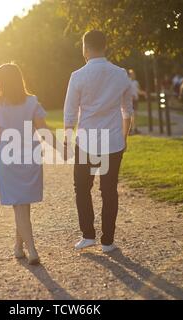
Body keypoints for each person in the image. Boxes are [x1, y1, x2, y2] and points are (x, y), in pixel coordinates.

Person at [64, 30, 133, 253]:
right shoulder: (121, 74)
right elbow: (127, 111)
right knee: (109, 190)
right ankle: (108, 241)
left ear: (85, 48)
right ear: (105, 46)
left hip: (86, 141)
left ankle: (88, 236)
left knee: (82, 188)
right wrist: (124, 137)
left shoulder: (77, 76)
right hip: (113, 141)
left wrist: (66, 140)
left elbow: (70, 114)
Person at [0, 63, 50, 265]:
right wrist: (63, 149)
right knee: (22, 205)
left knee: (19, 205)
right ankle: (18, 246)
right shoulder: (31, 102)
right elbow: (44, 131)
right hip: (30, 157)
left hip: (8, 159)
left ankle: (32, 249)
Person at [128, 69, 147, 135]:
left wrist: (144, 93)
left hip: (135, 100)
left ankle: (134, 129)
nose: (133, 75)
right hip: (130, 100)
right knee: (131, 115)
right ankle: (130, 130)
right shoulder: (128, 82)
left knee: (135, 115)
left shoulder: (136, 82)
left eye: (134, 74)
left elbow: (138, 91)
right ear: (129, 75)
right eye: (132, 74)